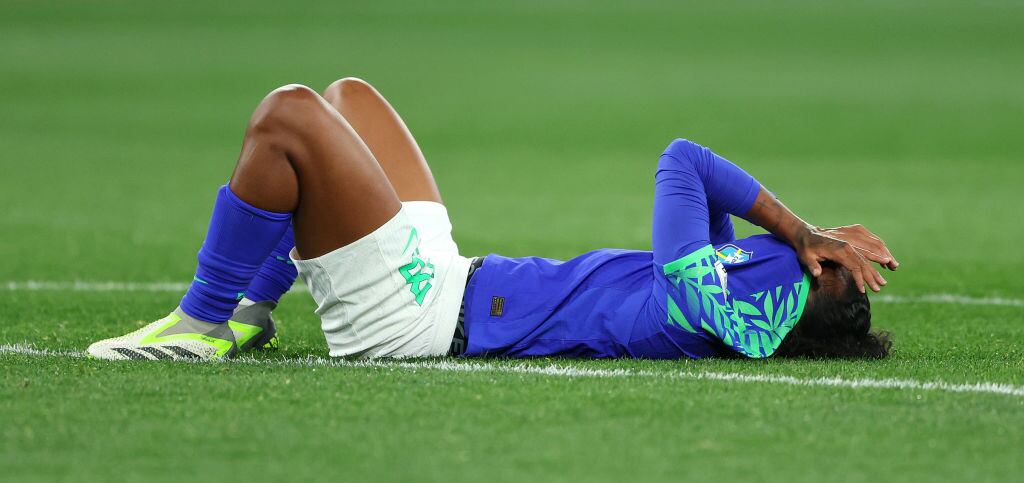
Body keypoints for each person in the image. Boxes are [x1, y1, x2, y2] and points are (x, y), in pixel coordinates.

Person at [88, 78, 897, 363]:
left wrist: (801, 226)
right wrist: (795, 243)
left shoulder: (704, 298)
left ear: (811, 277)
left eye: (817, 259)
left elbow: (684, 159)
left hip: (418, 319)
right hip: (452, 282)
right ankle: (250, 311)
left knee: (287, 119)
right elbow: (717, 202)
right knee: (349, 99)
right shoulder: (728, 304)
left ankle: (200, 324)